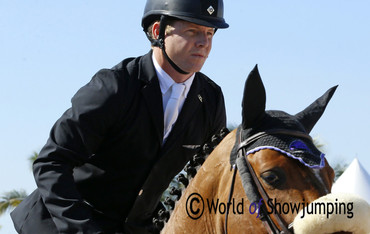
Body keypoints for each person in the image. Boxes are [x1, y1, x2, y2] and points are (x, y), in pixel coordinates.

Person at [11, 0, 229, 233]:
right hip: (61, 223)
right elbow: (51, 162)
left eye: (209, 33)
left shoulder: (211, 99)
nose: (204, 43)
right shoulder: (114, 87)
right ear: (158, 31)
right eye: (192, 31)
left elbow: (213, 181)